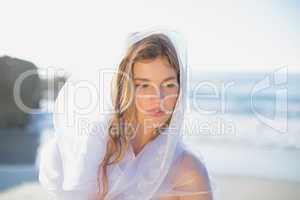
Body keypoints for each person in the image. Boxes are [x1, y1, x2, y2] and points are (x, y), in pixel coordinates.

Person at [38, 27, 217, 200]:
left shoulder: (188, 171)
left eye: (169, 84)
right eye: (144, 85)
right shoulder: (97, 148)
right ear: (126, 87)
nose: (159, 97)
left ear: (180, 89)